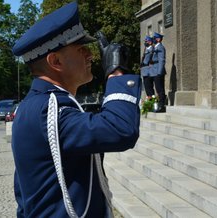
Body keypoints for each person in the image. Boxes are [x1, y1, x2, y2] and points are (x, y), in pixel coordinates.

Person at [11, 2, 141, 218]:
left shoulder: (39, 104)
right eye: (81, 49)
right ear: (55, 61)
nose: (91, 55)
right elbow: (120, 130)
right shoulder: (48, 109)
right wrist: (117, 74)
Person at [151, 32, 166, 112]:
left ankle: (162, 105)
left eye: (155, 38)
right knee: (157, 88)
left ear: (159, 39)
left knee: (160, 88)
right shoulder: (155, 47)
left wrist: (159, 72)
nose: (154, 39)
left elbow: (162, 60)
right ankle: (160, 104)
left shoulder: (160, 47)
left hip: (158, 71)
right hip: (155, 70)